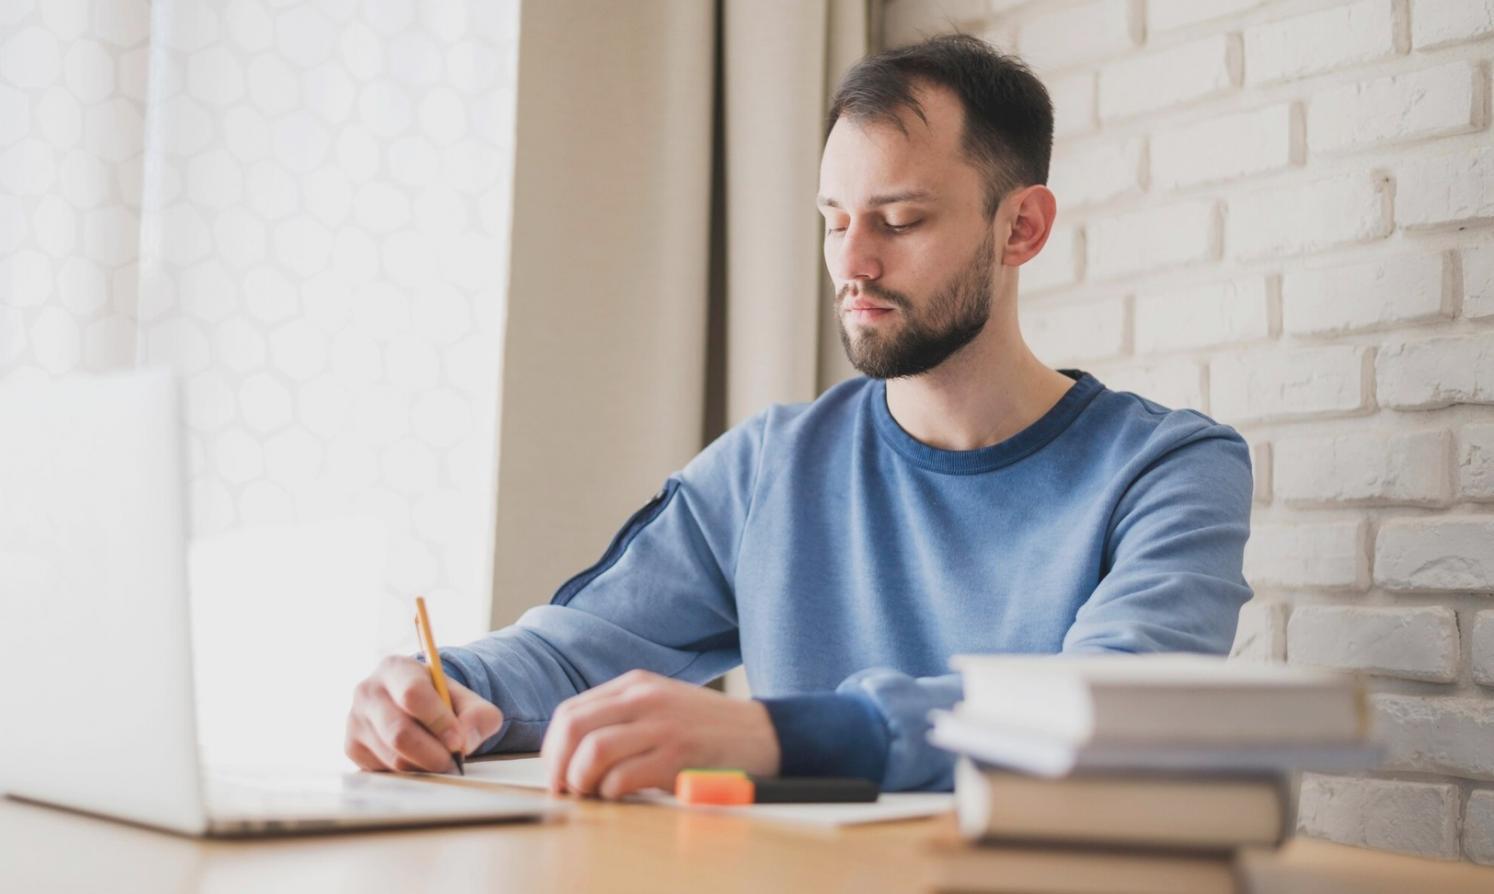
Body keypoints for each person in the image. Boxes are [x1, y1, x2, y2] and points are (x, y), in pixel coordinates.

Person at [344, 34, 1253, 798]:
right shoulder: (769, 466)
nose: (851, 263)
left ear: (1021, 229)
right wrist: (441, 689)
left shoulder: (1172, 469)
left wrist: (782, 736)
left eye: (897, 221)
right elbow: (576, 652)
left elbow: (1110, 710)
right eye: (833, 219)